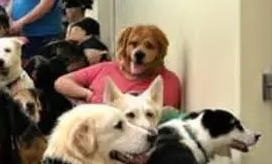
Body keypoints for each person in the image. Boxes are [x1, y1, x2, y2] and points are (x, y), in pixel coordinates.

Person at [54, 24, 182, 108]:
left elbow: (164, 119)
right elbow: (61, 82)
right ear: (124, 47)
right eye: (134, 44)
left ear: (159, 52)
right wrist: (89, 95)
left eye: (149, 46)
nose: (139, 51)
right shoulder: (107, 67)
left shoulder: (167, 81)